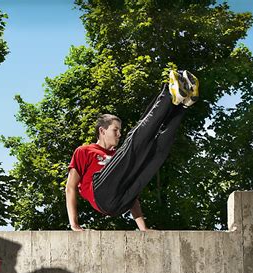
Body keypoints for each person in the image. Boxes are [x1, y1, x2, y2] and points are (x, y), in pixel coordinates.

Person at [66, 69, 199, 231]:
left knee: (155, 155)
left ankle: (182, 105)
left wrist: (143, 229)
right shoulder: (85, 151)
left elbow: (133, 196)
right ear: (102, 131)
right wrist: (74, 223)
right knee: (133, 144)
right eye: (115, 130)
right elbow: (70, 187)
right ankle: (167, 93)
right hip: (100, 193)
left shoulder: (117, 156)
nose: (119, 134)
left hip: (120, 202)